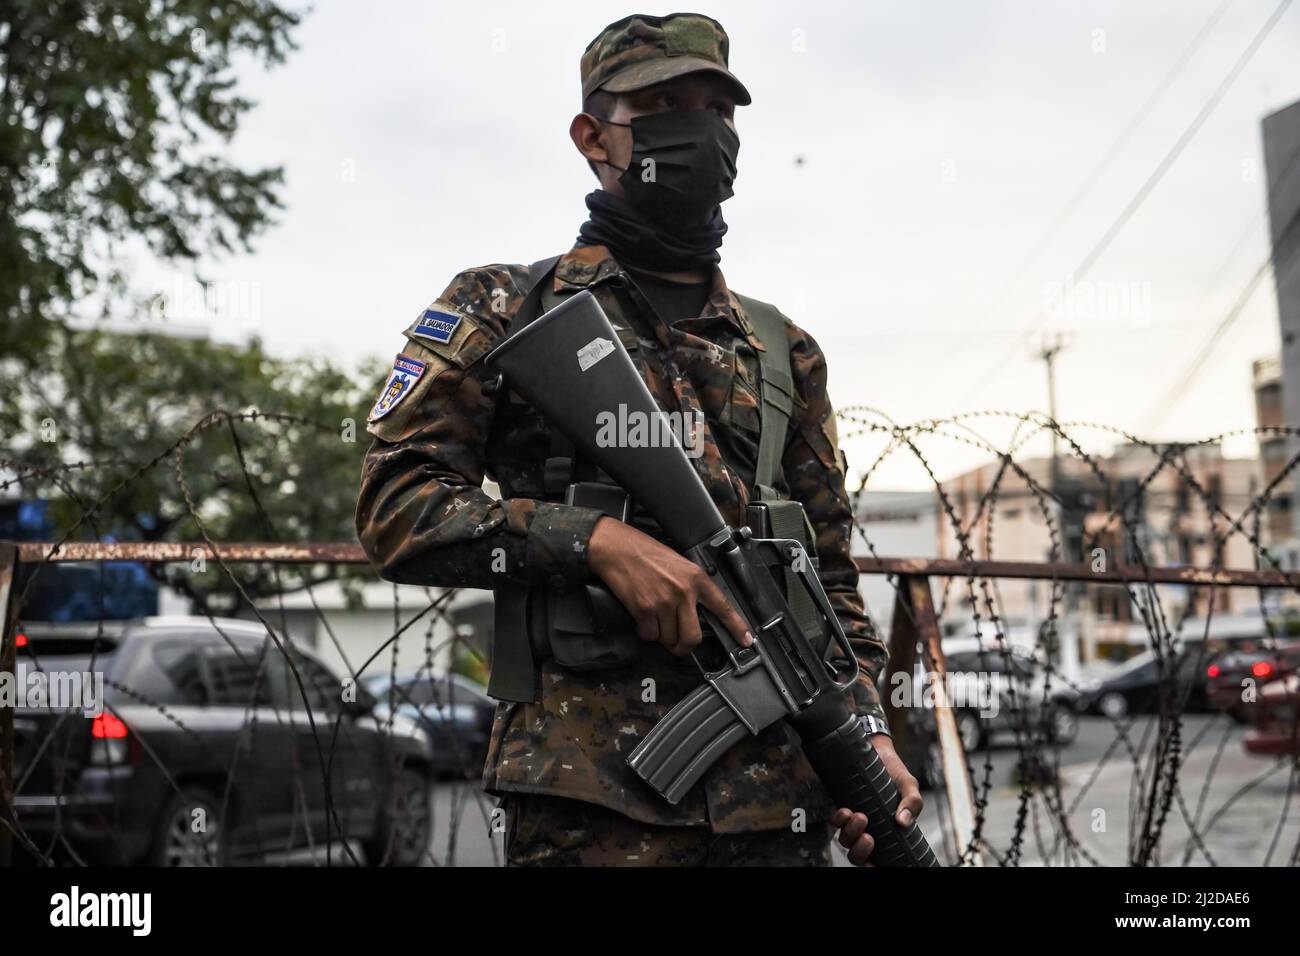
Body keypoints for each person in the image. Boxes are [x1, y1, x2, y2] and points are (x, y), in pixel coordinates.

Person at [355, 11, 922, 866]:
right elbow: (397, 506)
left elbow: (828, 577)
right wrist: (592, 541)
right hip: (593, 805)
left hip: (779, 811)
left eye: (718, 110)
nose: (700, 131)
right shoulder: (507, 308)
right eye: (663, 106)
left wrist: (867, 730)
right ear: (594, 136)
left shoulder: (782, 350)